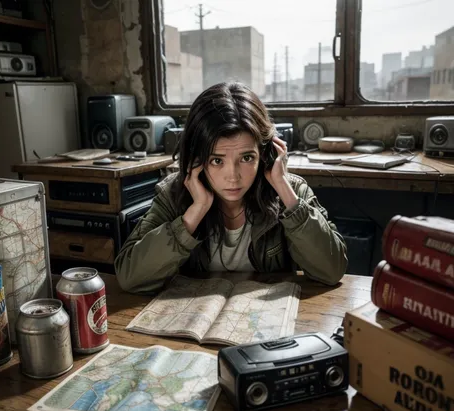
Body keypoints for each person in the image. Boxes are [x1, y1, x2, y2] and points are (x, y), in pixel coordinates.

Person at [115, 82, 348, 294]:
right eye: (217, 160)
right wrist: (195, 211)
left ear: (265, 154)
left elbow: (331, 272)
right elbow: (129, 277)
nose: (233, 177)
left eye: (247, 158)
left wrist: (284, 190)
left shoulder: (291, 192)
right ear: (197, 160)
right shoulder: (174, 194)